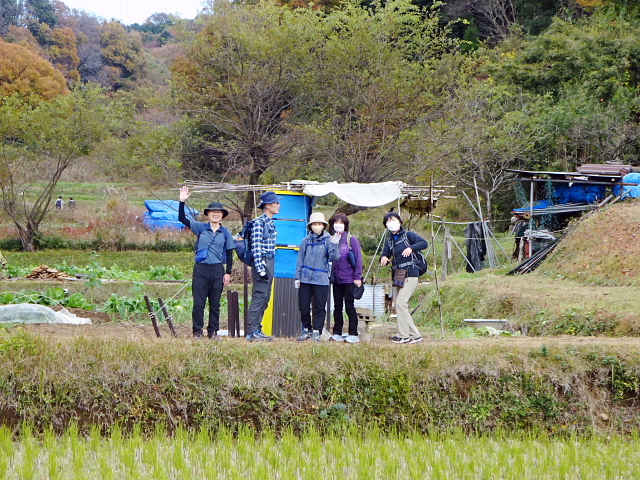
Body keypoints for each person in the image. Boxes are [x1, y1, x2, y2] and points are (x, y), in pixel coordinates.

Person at [179, 186, 234, 339]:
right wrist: (182, 202)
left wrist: (228, 273)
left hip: (217, 270)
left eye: (218, 212)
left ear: (222, 215)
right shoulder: (200, 227)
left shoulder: (226, 232)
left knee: (215, 304)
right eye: (212, 212)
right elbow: (182, 219)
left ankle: (213, 331)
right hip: (201, 269)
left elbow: (230, 253)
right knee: (199, 303)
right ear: (208, 214)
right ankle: (197, 332)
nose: (216, 214)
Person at [380, 212, 428, 344]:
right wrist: (384, 258)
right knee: (399, 305)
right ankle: (414, 335)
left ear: (400, 222)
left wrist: (411, 248)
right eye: (388, 221)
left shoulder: (409, 235)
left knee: (401, 303)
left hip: (411, 273)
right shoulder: (389, 241)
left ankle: (403, 335)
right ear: (386, 225)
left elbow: (424, 243)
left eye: (394, 220)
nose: (391, 223)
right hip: (397, 275)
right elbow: (384, 254)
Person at [295, 212, 340, 342]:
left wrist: (334, 245)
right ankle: (306, 329)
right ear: (310, 226)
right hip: (305, 278)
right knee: (303, 306)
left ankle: (317, 331)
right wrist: (297, 277)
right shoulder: (306, 241)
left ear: (323, 226)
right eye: (314, 224)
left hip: (321, 278)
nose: (317, 226)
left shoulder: (328, 240)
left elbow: (334, 257)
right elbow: (300, 260)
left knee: (320, 307)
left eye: (319, 224)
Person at [246, 191, 281, 342]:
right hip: (262, 262)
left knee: (265, 297)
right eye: (276, 203)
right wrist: (261, 269)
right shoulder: (259, 223)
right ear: (268, 205)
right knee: (259, 296)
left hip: (270, 260)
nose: (278, 205)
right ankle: (252, 331)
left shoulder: (271, 222)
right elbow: (256, 247)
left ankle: (257, 329)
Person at [328, 213, 363, 343]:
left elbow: (359, 259)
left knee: (349, 306)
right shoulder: (331, 239)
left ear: (346, 225)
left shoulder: (351, 239)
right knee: (337, 306)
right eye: (336, 223)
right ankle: (337, 332)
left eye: (341, 223)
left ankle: (353, 333)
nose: (338, 225)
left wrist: (357, 277)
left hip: (349, 279)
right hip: (336, 279)